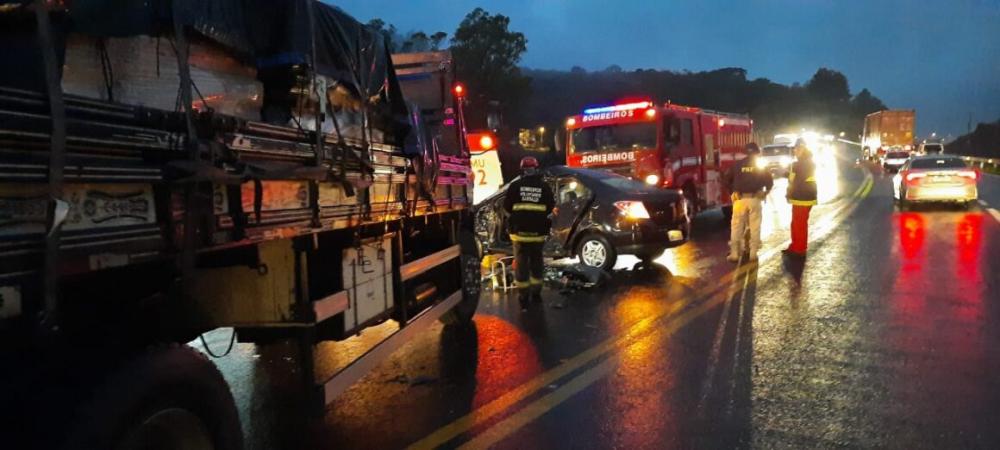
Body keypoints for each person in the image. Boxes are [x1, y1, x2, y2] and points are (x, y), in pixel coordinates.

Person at [503, 156, 556, 310]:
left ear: (522, 170)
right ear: (536, 169)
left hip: (519, 234)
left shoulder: (515, 186)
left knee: (521, 264)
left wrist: (514, 220)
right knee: (536, 262)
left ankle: (523, 294)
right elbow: (550, 209)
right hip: (538, 233)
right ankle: (536, 293)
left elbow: (506, 209)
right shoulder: (544, 187)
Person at [723, 143, 774, 263]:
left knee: (736, 227)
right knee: (754, 227)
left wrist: (733, 191)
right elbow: (770, 182)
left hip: (739, 200)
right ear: (757, 152)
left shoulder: (737, 164)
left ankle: (734, 254)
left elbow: (726, 180)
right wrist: (765, 193)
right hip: (754, 199)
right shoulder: (760, 165)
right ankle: (753, 253)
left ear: (746, 152)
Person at [784, 139, 818, 257]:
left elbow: (791, 180)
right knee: (798, 223)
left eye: (797, 149)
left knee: (799, 224)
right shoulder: (810, 162)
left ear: (802, 149)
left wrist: (786, 173)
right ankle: (796, 246)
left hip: (800, 197)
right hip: (809, 196)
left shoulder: (796, 164)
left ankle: (799, 249)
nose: (794, 151)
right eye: (794, 149)